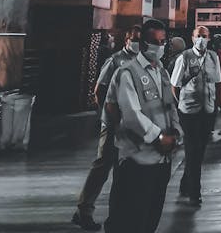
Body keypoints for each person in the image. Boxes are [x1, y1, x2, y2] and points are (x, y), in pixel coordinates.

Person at [104, 18, 179, 233]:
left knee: (152, 214)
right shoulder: (127, 72)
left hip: (161, 158)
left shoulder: (161, 72)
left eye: (163, 41)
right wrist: (158, 136)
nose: (160, 46)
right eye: (155, 41)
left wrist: (176, 133)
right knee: (132, 216)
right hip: (136, 157)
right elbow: (131, 114)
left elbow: (169, 106)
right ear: (144, 44)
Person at [72, 24, 142, 231]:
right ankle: (84, 210)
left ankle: (120, 212)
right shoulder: (115, 61)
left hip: (132, 125)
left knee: (126, 169)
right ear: (127, 40)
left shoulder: (141, 62)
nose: (137, 43)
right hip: (114, 123)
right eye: (134, 39)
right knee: (103, 165)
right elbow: (100, 90)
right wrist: (108, 117)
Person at [171, 25, 221, 206]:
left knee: (199, 150)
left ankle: (186, 182)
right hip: (189, 111)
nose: (201, 39)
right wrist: (180, 104)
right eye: (198, 36)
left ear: (209, 38)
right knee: (192, 148)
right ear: (193, 38)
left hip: (207, 109)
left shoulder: (213, 57)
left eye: (205, 36)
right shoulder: (184, 57)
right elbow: (175, 85)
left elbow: (216, 81)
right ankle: (195, 191)